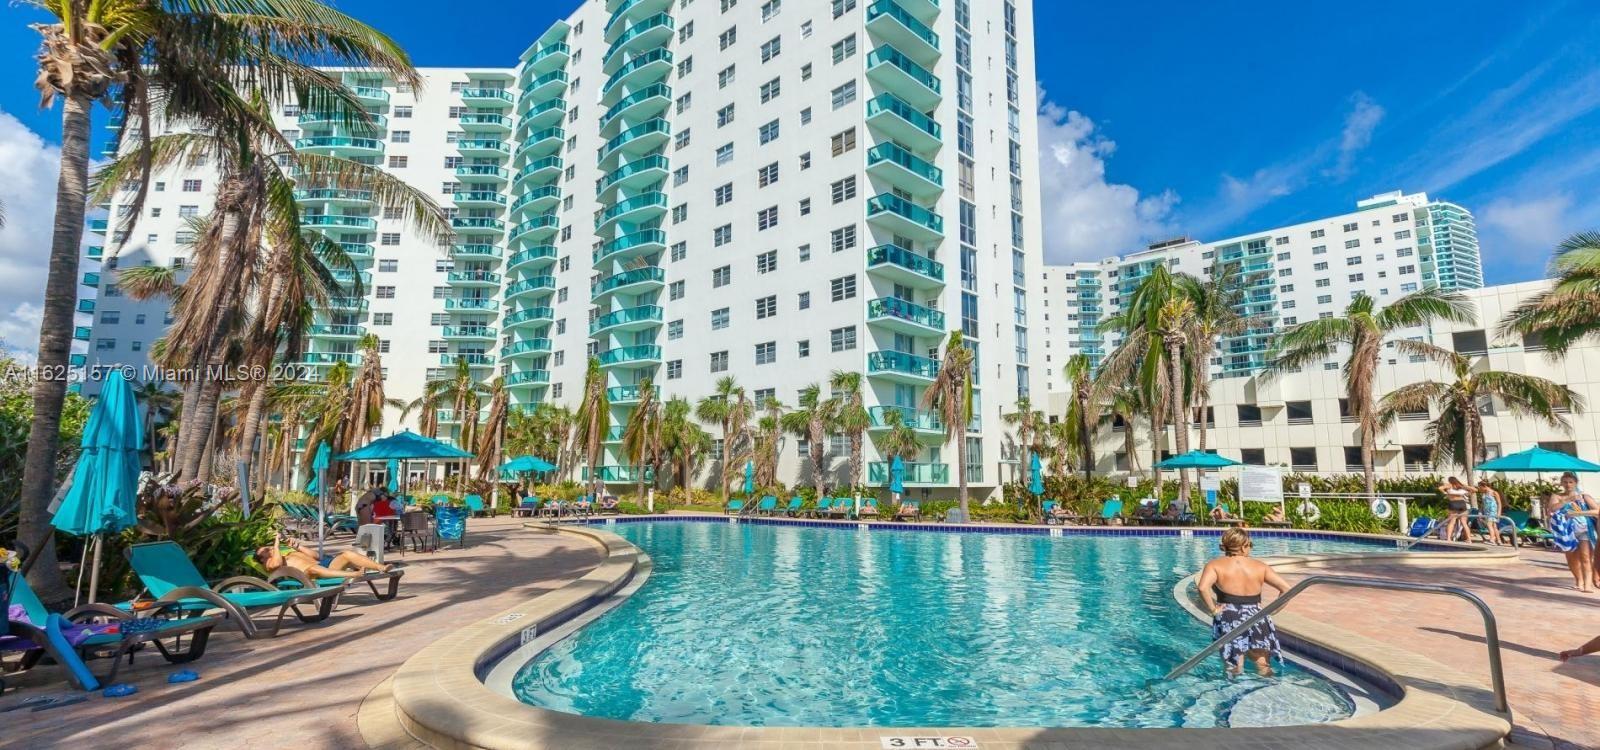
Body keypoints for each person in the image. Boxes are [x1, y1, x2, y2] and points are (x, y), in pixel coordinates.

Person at [1198, 528, 1291, 677]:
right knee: (1263, 665)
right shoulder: (1260, 566)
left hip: (1229, 617)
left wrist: (1213, 610)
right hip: (1257, 617)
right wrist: (1273, 611)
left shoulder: (1215, 565)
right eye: (1250, 545)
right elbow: (1286, 589)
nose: (1250, 548)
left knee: (1234, 666)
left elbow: (1202, 588)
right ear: (1243, 546)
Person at [255, 531, 397, 581]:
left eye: (269, 548)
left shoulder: (288, 554)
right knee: (313, 569)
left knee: (347, 554)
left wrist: (296, 546)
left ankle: (381, 567)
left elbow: (316, 556)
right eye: (266, 550)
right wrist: (276, 544)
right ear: (262, 558)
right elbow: (277, 564)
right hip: (310, 574)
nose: (270, 549)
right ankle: (355, 574)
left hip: (323, 565)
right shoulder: (268, 564)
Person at [1548, 475, 1597, 592]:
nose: (1568, 485)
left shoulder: (1584, 497)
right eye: (1565, 482)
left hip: (1584, 530)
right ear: (1561, 483)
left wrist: (1578, 513)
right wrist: (1568, 500)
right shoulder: (1557, 496)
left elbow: (1597, 511)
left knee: (1586, 557)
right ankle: (1579, 580)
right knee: (1571, 559)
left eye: (1571, 482)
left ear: (1576, 483)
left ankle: (1588, 585)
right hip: (1565, 532)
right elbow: (1552, 509)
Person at [1438, 477, 1472, 542]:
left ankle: (1448, 538)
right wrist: (1467, 494)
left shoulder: (1449, 485)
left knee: (1451, 522)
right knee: (1464, 523)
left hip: (1453, 503)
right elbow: (1474, 490)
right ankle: (1469, 539)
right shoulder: (1461, 485)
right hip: (1462, 503)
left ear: (1450, 481)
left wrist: (1446, 493)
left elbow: (1440, 488)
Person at [1475, 480, 1504, 546]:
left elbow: (1499, 503)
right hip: (1486, 511)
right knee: (1494, 526)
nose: (1479, 489)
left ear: (1484, 486)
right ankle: (1499, 540)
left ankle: (1492, 539)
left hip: (1493, 511)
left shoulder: (1494, 492)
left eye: (1480, 487)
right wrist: (1480, 512)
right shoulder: (1484, 494)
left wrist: (1499, 513)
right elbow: (1482, 504)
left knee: (1489, 525)